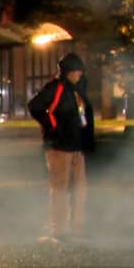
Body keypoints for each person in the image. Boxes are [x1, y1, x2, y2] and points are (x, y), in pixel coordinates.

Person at [28, 52, 95, 242]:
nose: (80, 74)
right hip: (59, 148)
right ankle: (60, 231)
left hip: (76, 147)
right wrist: (54, 127)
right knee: (60, 189)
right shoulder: (55, 88)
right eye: (77, 71)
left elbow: (83, 115)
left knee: (80, 189)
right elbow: (35, 106)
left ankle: (77, 228)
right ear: (69, 72)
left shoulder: (77, 90)